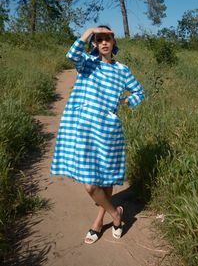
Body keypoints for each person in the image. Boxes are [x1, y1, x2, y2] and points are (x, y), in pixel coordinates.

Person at [50, 26, 144, 244]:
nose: (103, 42)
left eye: (107, 38)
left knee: (106, 177)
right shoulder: (87, 64)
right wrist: (89, 31)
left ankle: (99, 220)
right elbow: (71, 54)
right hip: (84, 131)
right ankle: (116, 214)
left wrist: (124, 101)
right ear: (94, 43)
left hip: (108, 130)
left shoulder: (122, 70)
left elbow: (139, 92)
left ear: (113, 42)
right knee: (91, 185)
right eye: (98, 39)